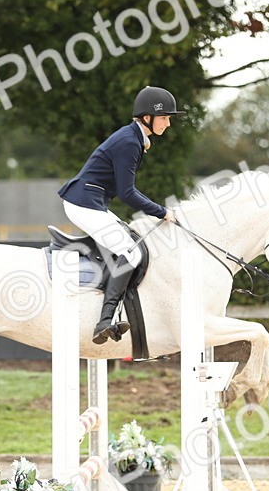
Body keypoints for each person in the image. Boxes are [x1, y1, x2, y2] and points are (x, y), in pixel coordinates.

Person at [58, 86, 180, 344]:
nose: (168, 124)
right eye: (165, 117)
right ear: (147, 117)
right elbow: (127, 193)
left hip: (92, 201)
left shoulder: (135, 138)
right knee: (132, 251)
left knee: (131, 241)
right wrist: (162, 212)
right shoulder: (129, 142)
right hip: (83, 204)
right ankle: (104, 321)